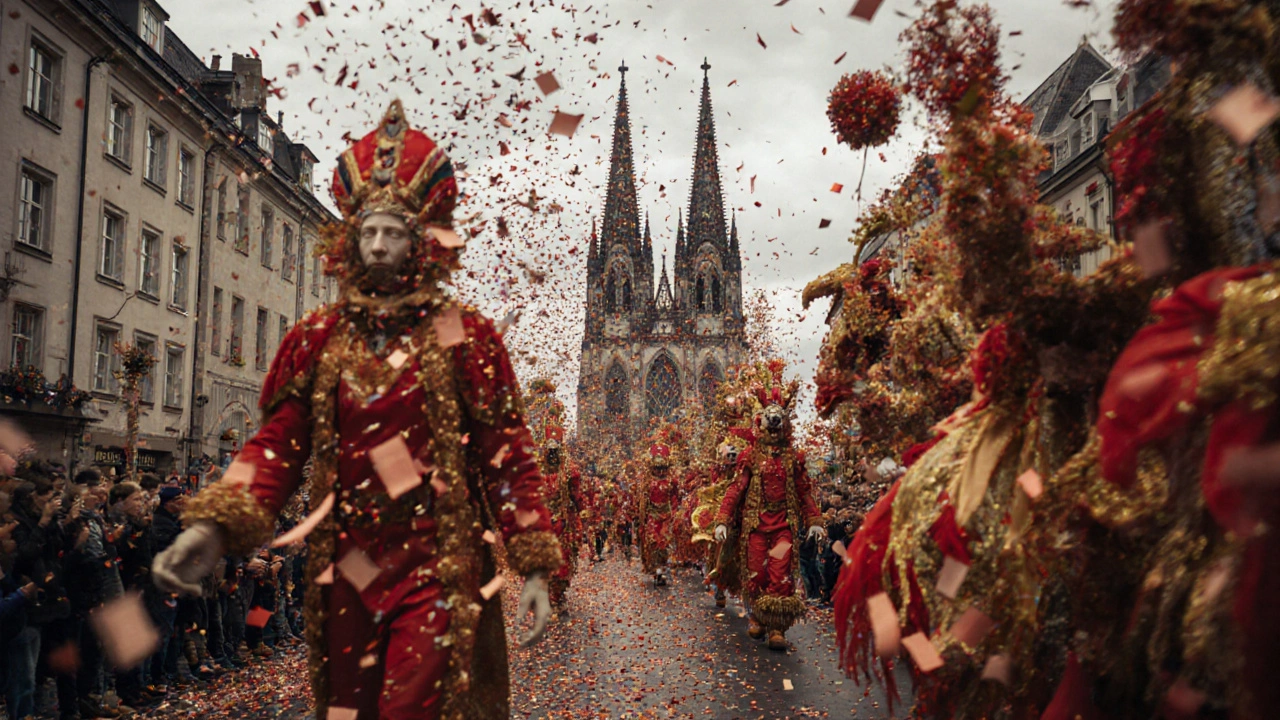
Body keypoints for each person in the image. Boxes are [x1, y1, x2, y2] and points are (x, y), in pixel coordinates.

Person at [152, 99, 562, 720]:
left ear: (421, 242)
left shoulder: (461, 334)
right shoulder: (320, 337)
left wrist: (531, 560)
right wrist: (215, 526)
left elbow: (506, 456)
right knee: (350, 708)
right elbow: (278, 444)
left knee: (414, 705)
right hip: (348, 558)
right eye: (366, 231)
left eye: (392, 233)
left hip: (436, 557)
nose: (376, 246)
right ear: (349, 238)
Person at [714, 361, 824, 651]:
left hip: (783, 527)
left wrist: (814, 521)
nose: (774, 431)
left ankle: (777, 627)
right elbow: (736, 488)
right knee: (757, 574)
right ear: (760, 423)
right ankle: (759, 618)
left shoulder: (793, 458)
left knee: (780, 573)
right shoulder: (749, 456)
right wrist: (723, 519)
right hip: (755, 528)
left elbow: (804, 492)